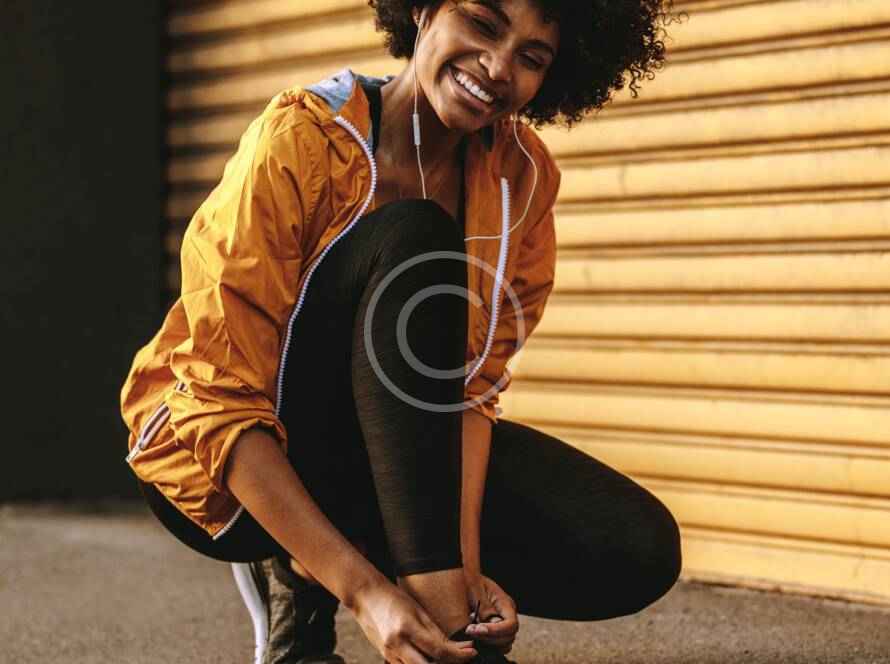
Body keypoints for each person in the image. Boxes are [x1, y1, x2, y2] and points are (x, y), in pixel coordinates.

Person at [119, 1, 681, 662]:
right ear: (422, 9)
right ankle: (306, 568)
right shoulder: (300, 140)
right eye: (483, 24)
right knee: (414, 238)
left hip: (386, 454)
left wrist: (463, 575)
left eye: (532, 57)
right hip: (222, 460)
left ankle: (390, 591)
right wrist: (366, 595)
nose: (499, 67)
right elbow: (217, 399)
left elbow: (469, 395)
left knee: (634, 545)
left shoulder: (521, 180)